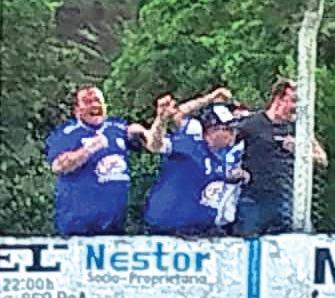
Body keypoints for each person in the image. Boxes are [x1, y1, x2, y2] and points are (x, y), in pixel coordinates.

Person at [135, 87, 238, 235]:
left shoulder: (223, 154)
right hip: (168, 227)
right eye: (228, 129)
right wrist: (161, 118)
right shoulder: (189, 144)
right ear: (213, 130)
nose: (233, 133)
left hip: (200, 228)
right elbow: (155, 145)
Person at [224, 81, 321, 237]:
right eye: (293, 100)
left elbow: (322, 159)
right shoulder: (252, 123)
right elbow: (226, 147)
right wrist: (233, 170)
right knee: (247, 241)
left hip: (285, 200)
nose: (295, 107)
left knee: (286, 242)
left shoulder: (298, 128)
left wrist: (299, 151)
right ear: (278, 99)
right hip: (253, 199)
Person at [43, 86, 135, 237]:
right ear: (77, 110)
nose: (94, 105)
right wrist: (87, 150)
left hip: (115, 226)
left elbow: (151, 144)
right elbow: (58, 166)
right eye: (87, 102)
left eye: (97, 100)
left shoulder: (117, 129)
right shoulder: (66, 134)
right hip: (78, 227)